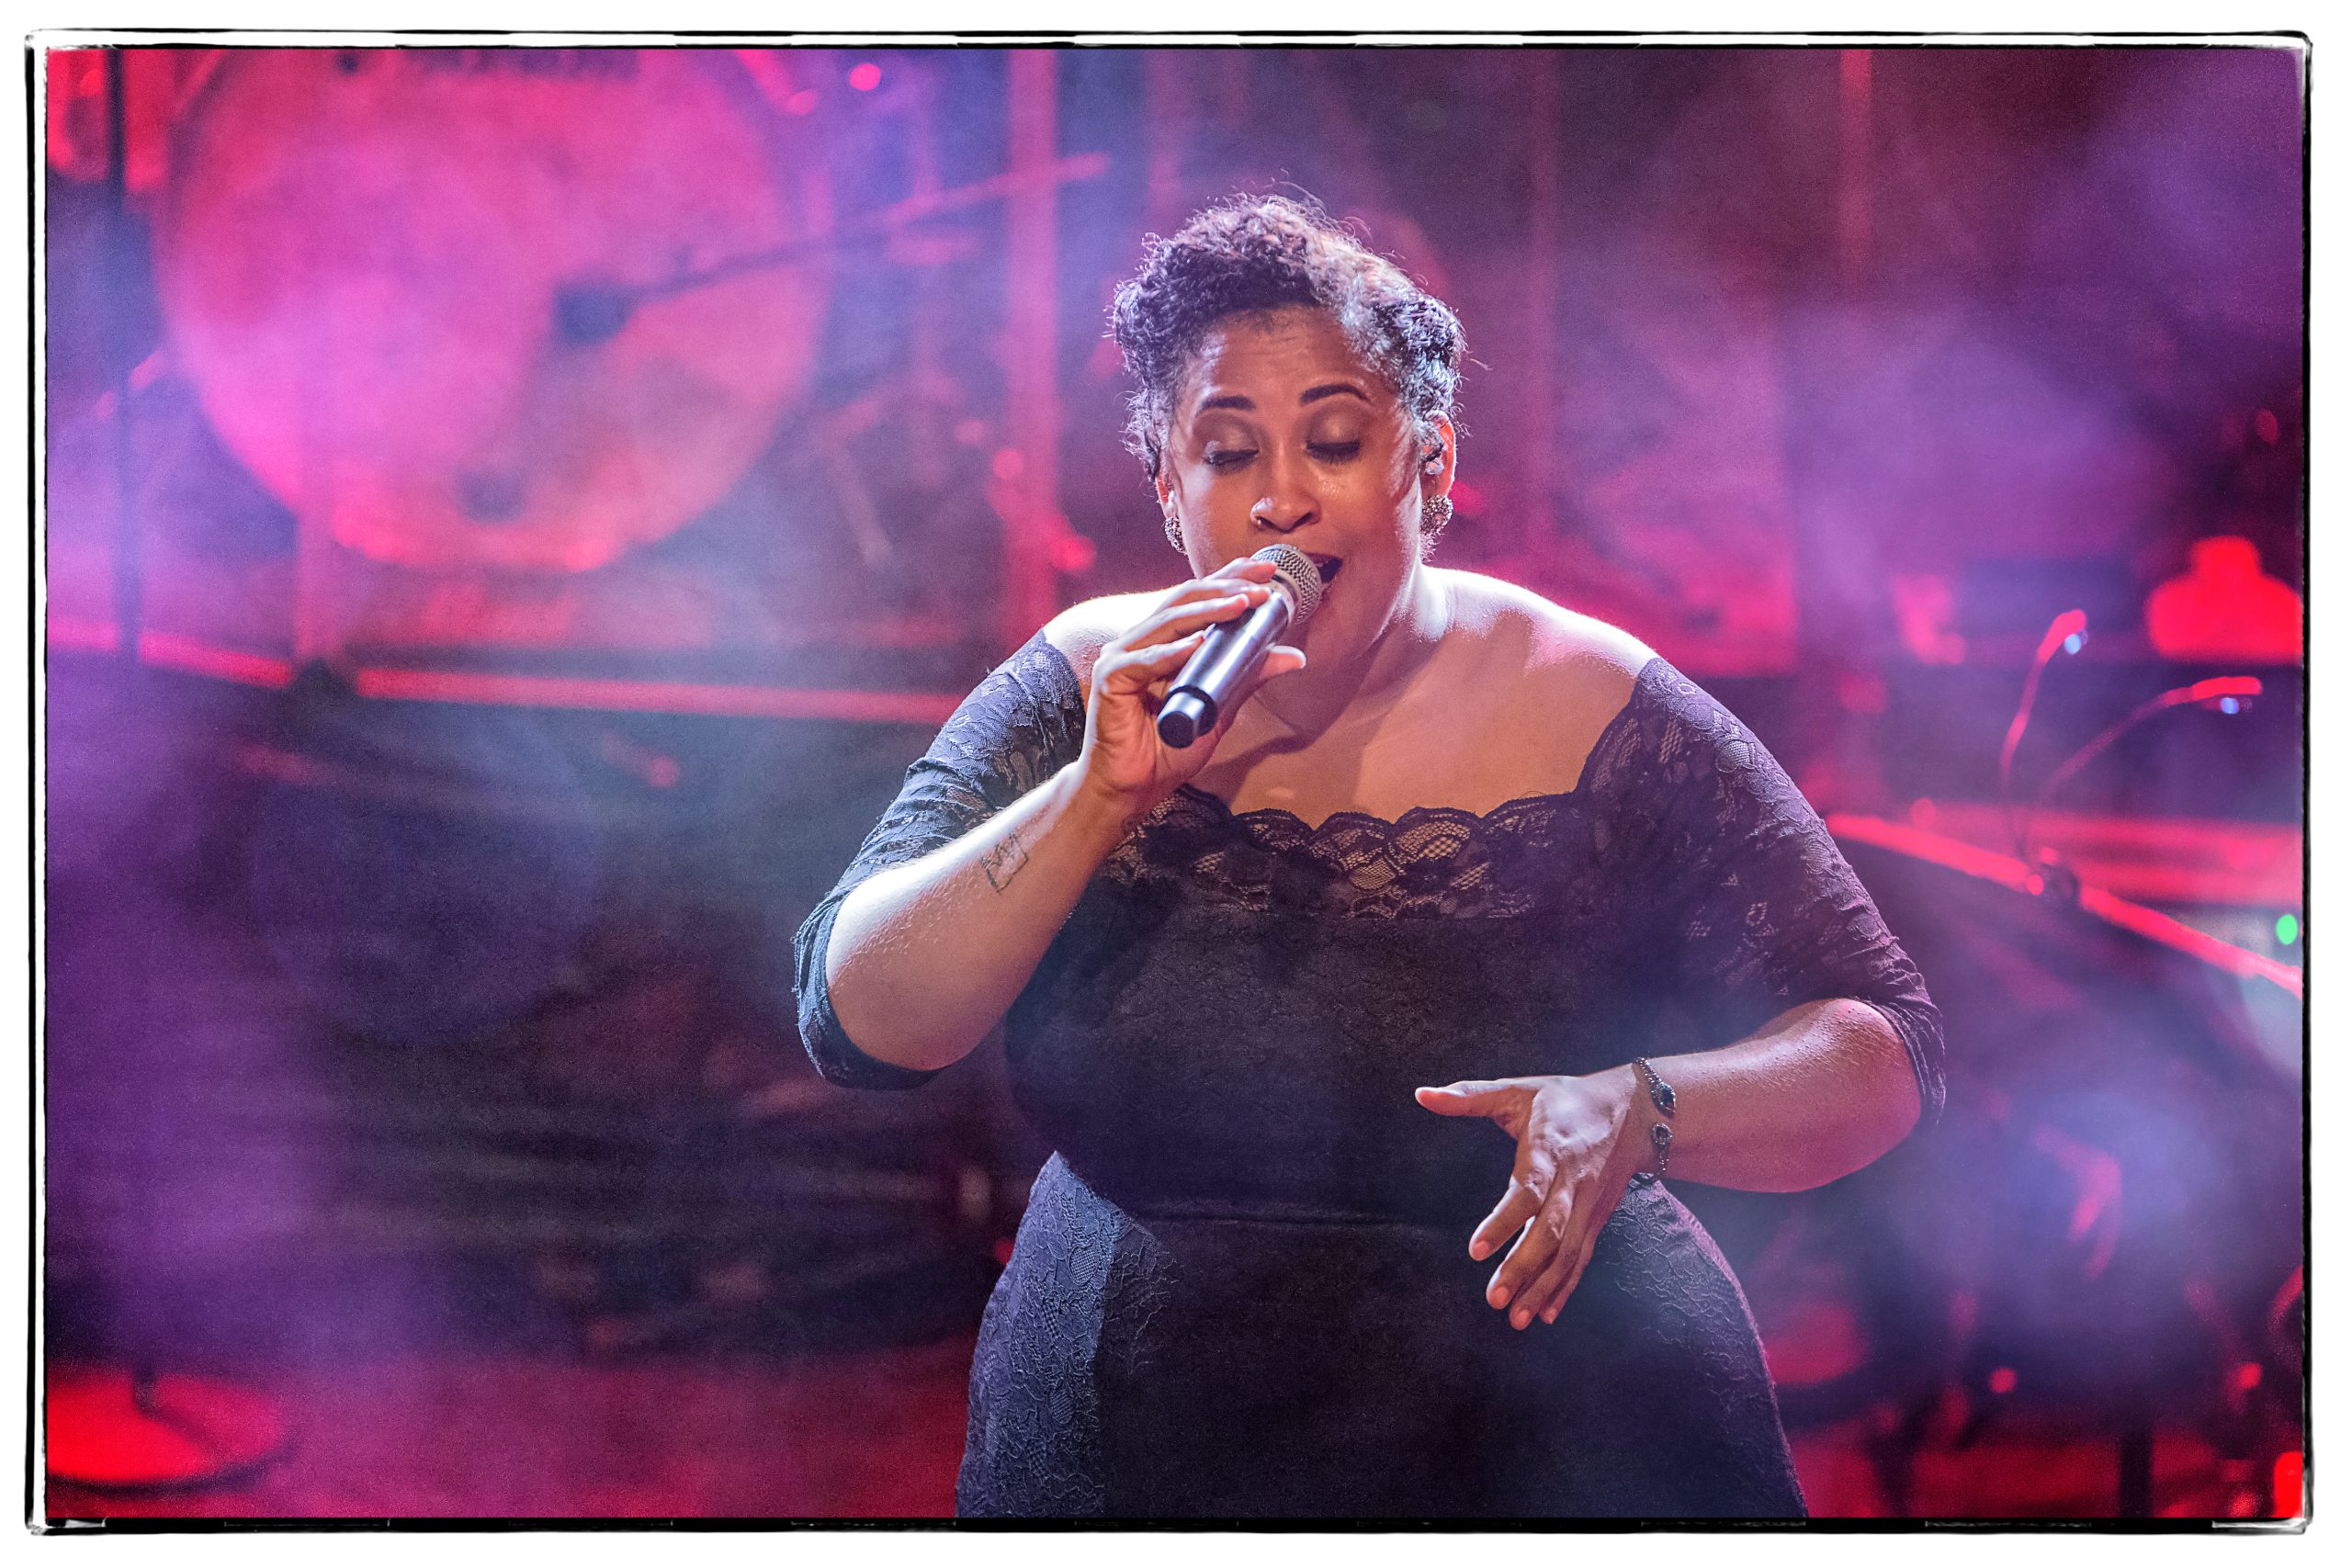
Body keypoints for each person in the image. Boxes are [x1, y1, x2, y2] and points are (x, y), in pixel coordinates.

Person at [794, 195, 1943, 1518]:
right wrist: (1096, 797)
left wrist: (1642, 1109)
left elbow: (1886, 1048)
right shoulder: (1085, 684)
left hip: (1558, 1430)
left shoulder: (1595, 704)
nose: (1282, 496)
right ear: (1169, 492)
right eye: (1228, 454)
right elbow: (859, 1023)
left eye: (1335, 442)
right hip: (1141, 1421)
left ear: (1432, 467)